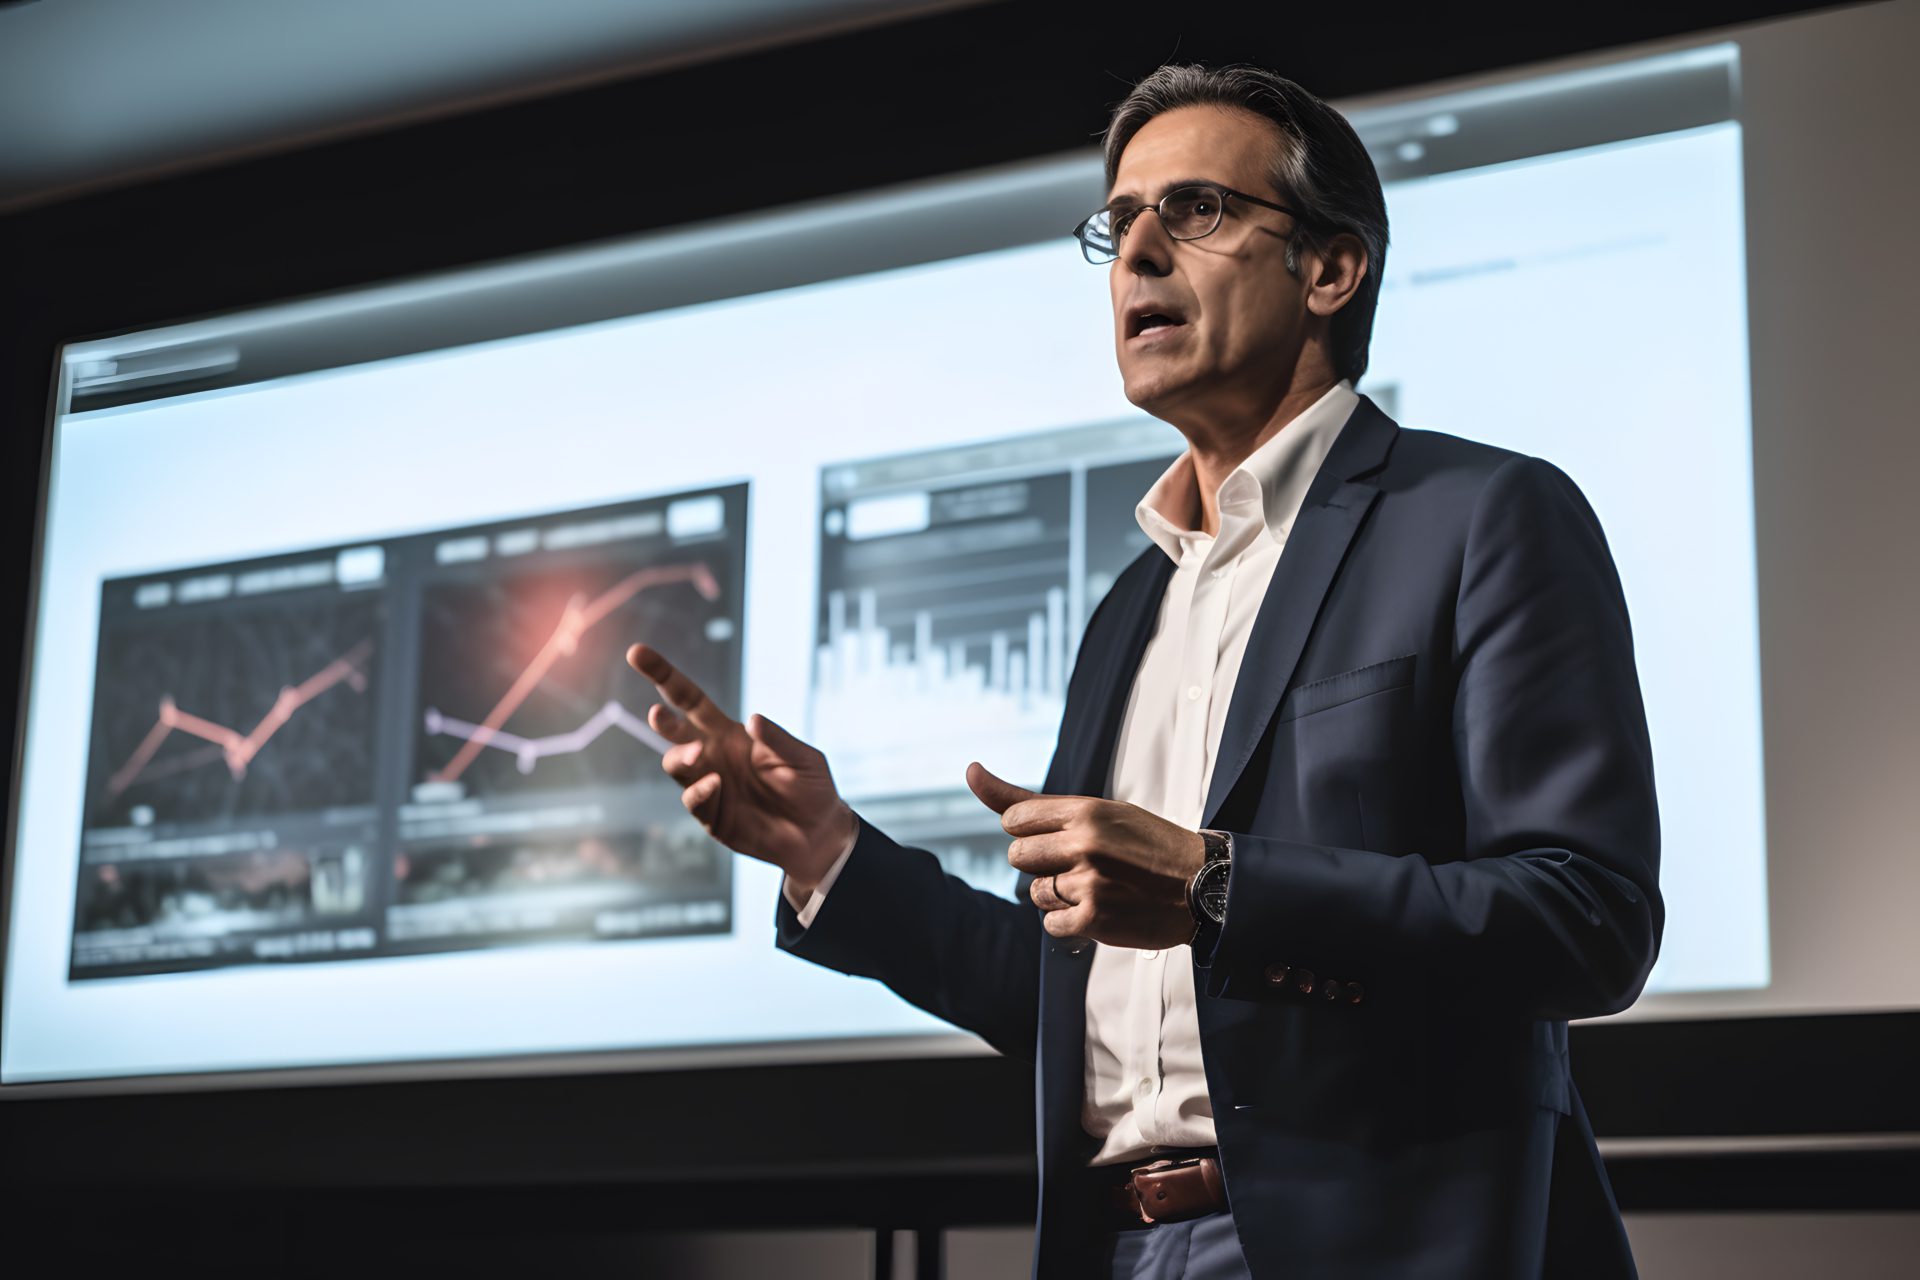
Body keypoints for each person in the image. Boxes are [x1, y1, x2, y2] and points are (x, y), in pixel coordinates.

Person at [626, 62, 1660, 1280]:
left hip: (1375, 1243)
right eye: (1119, 223)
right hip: (1117, 1245)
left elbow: (1587, 919)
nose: (1139, 253)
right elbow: (1074, 992)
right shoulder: (1133, 603)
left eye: (1198, 209)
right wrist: (827, 851)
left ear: (1330, 269)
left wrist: (1219, 886)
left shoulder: (1482, 514)